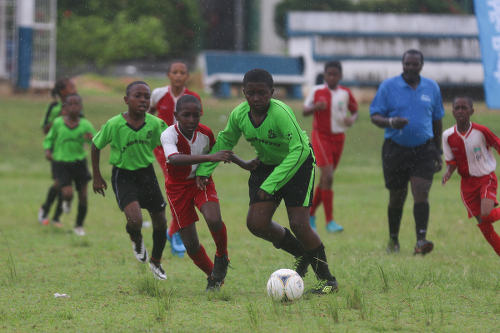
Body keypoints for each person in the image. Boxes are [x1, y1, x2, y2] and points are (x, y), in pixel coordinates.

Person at [196, 68, 339, 294]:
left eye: (262, 93)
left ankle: (327, 280)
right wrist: (205, 169)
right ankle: (301, 253)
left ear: (272, 92)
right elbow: (226, 140)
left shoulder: (281, 112)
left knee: (300, 224)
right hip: (266, 166)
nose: (256, 98)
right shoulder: (239, 114)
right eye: (251, 93)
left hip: (298, 165)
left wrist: (271, 184)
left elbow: (300, 149)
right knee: (257, 223)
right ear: (243, 92)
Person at [161, 95, 254, 290]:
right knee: (191, 244)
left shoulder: (206, 133)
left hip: (201, 183)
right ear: (176, 115)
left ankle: (222, 256)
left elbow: (221, 151)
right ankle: (214, 276)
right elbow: (174, 159)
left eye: (196, 115)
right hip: (177, 189)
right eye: (186, 115)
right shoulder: (169, 135)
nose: (191, 120)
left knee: (213, 218)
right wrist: (209, 157)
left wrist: (245, 164)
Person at [91, 81, 168, 280]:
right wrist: (97, 176)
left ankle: (156, 261)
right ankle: (136, 237)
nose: (143, 100)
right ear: (126, 100)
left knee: (160, 221)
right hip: (123, 175)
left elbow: (171, 142)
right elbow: (95, 145)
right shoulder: (114, 124)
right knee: (135, 220)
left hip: (147, 174)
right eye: (138, 96)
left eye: (146, 96)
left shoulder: (155, 124)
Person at [370, 49, 444, 255]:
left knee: (421, 191)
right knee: (397, 196)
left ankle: (421, 240)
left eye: (415, 64)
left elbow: (437, 119)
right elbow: (374, 115)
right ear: (402, 65)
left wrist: (438, 149)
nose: (411, 68)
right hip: (395, 149)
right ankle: (393, 239)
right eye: (407, 64)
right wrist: (391, 122)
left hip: (424, 148)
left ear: (421, 65)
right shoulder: (388, 87)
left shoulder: (432, 87)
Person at [149, 60, 202, 257]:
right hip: (162, 149)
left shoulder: (193, 97)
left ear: (187, 76)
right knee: (176, 187)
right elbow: (148, 115)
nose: (178, 75)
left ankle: (172, 232)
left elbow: (196, 125)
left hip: (184, 152)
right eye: (175, 72)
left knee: (181, 190)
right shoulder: (158, 94)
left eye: (182, 72)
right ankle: (176, 234)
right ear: (168, 75)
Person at [303, 61, 358, 233]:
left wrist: (352, 119)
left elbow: (355, 111)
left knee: (325, 179)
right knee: (327, 176)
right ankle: (330, 221)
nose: (332, 77)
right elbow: (305, 111)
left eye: (335, 74)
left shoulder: (346, 93)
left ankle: (310, 214)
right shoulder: (317, 91)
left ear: (340, 76)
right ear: (325, 76)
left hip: (339, 138)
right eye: (329, 74)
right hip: (321, 136)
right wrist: (314, 107)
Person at [442, 97, 500, 256]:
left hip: (486, 178)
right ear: (453, 111)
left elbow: (497, 144)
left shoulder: (481, 131)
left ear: (471, 111)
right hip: (467, 185)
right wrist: (448, 173)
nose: (461, 111)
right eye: (457, 108)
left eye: (464, 108)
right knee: (484, 225)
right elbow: (451, 161)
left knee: (486, 214)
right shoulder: (447, 135)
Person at [42, 94, 96, 235]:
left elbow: (96, 142)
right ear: (64, 107)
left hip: (79, 163)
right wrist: (48, 150)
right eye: (70, 104)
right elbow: (49, 139)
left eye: (77, 104)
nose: (74, 107)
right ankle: (66, 201)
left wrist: (92, 139)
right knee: (67, 192)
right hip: (61, 162)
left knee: (83, 195)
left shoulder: (85, 124)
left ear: (81, 107)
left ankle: (79, 225)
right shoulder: (59, 123)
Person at [38, 78, 77, 226]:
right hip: (57, 151)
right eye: (71, 86)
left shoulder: (76, 106)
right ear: (62, 91)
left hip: (72, 151)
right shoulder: (54, 107)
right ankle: (45, 208)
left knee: (67, 184)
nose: (74, 89)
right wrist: (60, 117)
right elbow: (45, 130)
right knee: (60, 183)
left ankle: (56, 217)